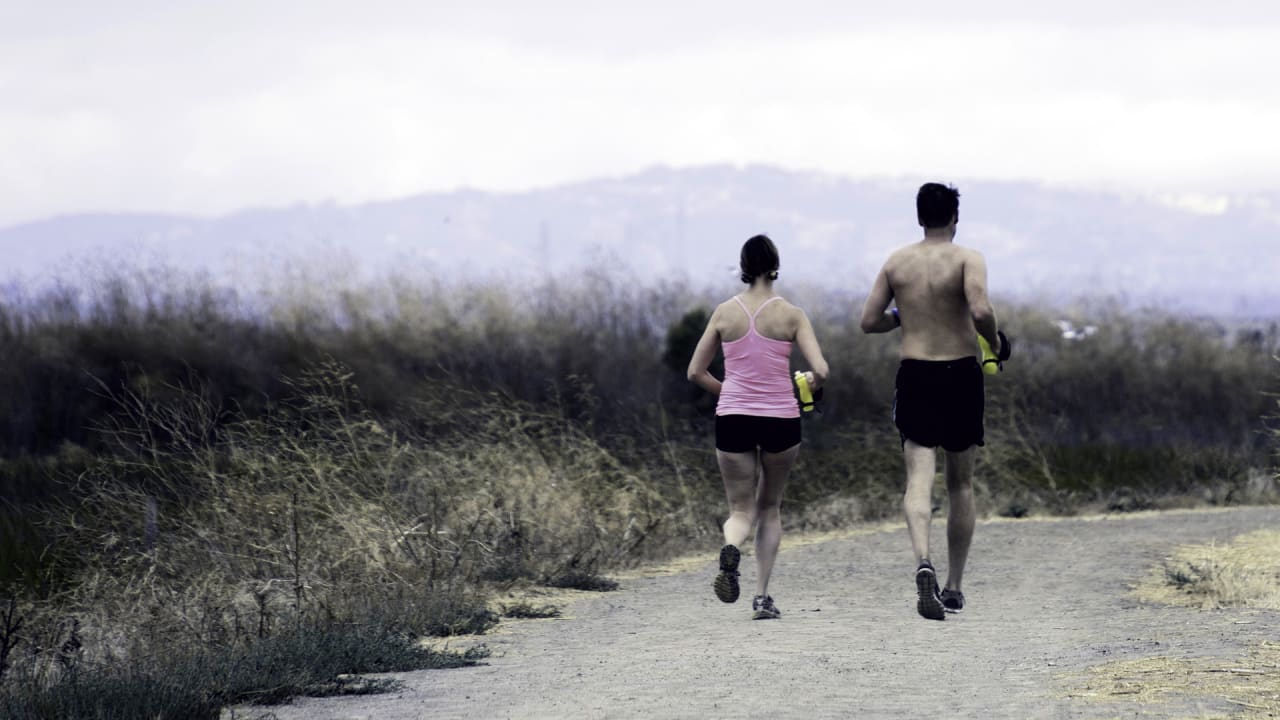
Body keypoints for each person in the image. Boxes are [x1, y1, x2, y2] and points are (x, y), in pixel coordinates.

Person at [859, 182, 1006, 621]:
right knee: (960, 484)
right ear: (955, 218)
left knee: (918, 479)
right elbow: (980, 310)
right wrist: (995, 343)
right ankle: (954, 586)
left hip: (916, 373)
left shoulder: (897, 262)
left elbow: (869, 321)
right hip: (960, 372)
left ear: (920, 217)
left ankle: (923, 560)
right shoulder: (967, 259)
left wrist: (903, 314)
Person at [687, 234, 829, 620]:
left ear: (743, 267)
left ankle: (732, 547)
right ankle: (762, 597)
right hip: (781, 418)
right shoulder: (792, 315)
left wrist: (731, 393)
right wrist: (809, 384)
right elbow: (821, 370)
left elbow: (695, 371)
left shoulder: (723, 313)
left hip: (733, 417)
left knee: (740, 510)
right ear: (776, 265)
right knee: (769, 507)